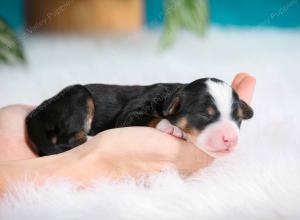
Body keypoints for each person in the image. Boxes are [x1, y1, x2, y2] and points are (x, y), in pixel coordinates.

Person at [0, 73, 256, 194]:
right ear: (174, 108)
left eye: (235, 116)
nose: (229, 133)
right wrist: (157, 126)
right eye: (207, 116)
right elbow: (126, 121)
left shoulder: (181, 104)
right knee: (78, 95)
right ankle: (72, 147)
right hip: (69, 105)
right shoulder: (162, 101)